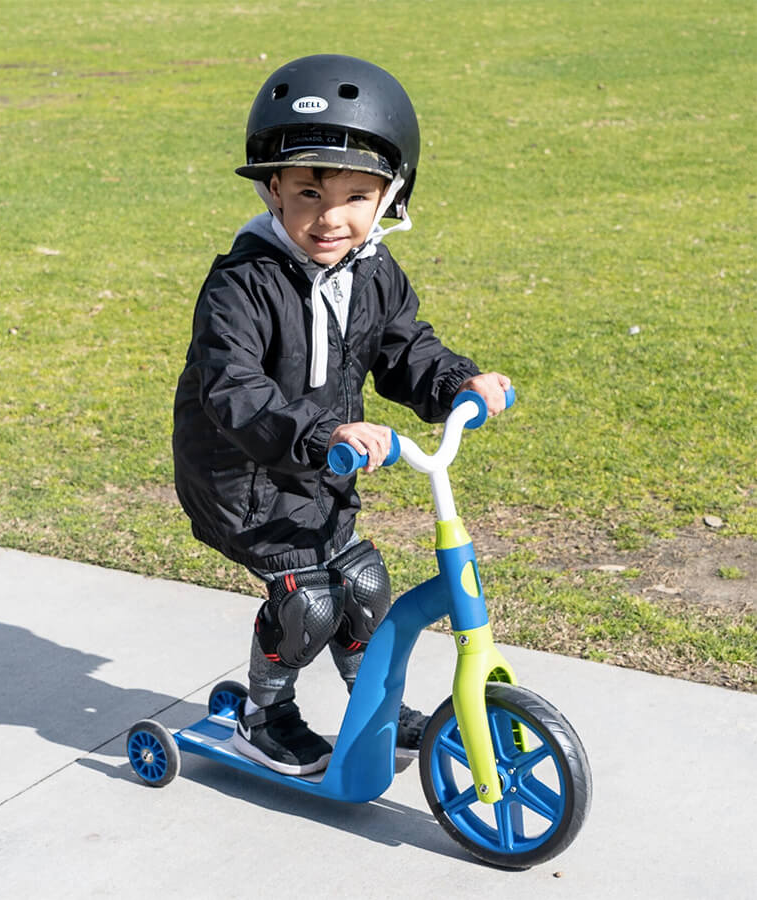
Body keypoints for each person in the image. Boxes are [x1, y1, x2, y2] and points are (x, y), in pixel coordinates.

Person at [173, 54, 511, 776]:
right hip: (242, 476)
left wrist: (458, 383)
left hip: (323, 467)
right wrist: (325, 431)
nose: (332, 218)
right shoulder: (242, 282)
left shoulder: (373, 270)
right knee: (309, 607)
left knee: (362, 586)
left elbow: (402, 348)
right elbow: (230, 388)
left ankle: (373, 706)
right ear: (273, 189)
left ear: (391, 194)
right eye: (306, 194)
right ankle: (263, 719)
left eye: (358, 195)